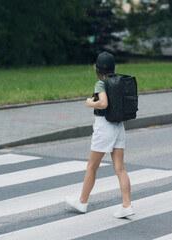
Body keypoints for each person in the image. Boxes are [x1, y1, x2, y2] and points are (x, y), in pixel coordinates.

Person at [65, 52, 135, 218]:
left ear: (95, 68)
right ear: (114, 68)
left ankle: (82, 202)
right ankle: (127, 205)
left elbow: (103, 103)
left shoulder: (101, 84)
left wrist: (90, 103)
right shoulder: (119, 81)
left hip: (105, 127)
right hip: (119, 126)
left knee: (92, 166)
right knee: (120, 168)